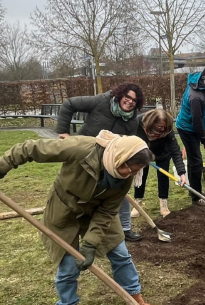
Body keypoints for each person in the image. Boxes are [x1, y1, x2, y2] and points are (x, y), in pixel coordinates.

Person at [0, 130, 164, 305]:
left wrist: (91, 244)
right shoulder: (80, 149)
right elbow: (29, 149)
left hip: (98, 212)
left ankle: (136, 302)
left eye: (135, 170)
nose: (129, 173)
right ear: (119, 157)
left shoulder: (125, 178)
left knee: (120, 253)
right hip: (65, 211)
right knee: (68, 266)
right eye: (127, 167)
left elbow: (106, 213)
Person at [56, 82, 145, 242]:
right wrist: (63, 132)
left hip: (109, 161)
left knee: (120, 192)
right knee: (77, 189)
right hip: (84, 155)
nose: (130, 102)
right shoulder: (102, 101)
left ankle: (124, 229)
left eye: (134, 100)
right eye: (128, 97)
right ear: (120, 95)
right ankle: (69, 225)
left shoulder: (133, 121)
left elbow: (128, 143)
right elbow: (69, 104)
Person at [118, 109, 186, 227]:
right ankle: (137, 205)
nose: (162, 130)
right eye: (159, 127)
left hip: (162, 153)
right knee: (140, 177)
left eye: (164, 128)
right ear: (150, 124)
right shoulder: (137, 123)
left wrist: (182, 172)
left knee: (163, 176)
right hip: (141, 152)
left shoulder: (167, 129)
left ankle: (163, 205)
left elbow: (175, 151)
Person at [176, 66, 205, 203]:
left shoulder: (202, 84)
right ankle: (196, 197)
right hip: (187, 128)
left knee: (194, 161)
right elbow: (196, 122)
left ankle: (196, 190)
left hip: (193, 127)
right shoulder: (196, 97)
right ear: (204, 79)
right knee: (196, 161)